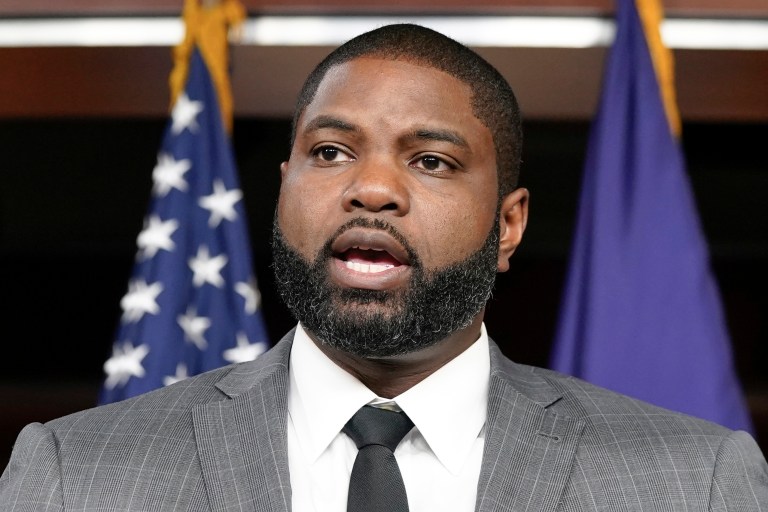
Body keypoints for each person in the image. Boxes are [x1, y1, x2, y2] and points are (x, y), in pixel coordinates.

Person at [1, 23, 767, 511]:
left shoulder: (693, 483)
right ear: (282, 191)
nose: (369, 188)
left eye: (430, 160)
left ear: (509, 225)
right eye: (329, 153)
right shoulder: (77, 475)